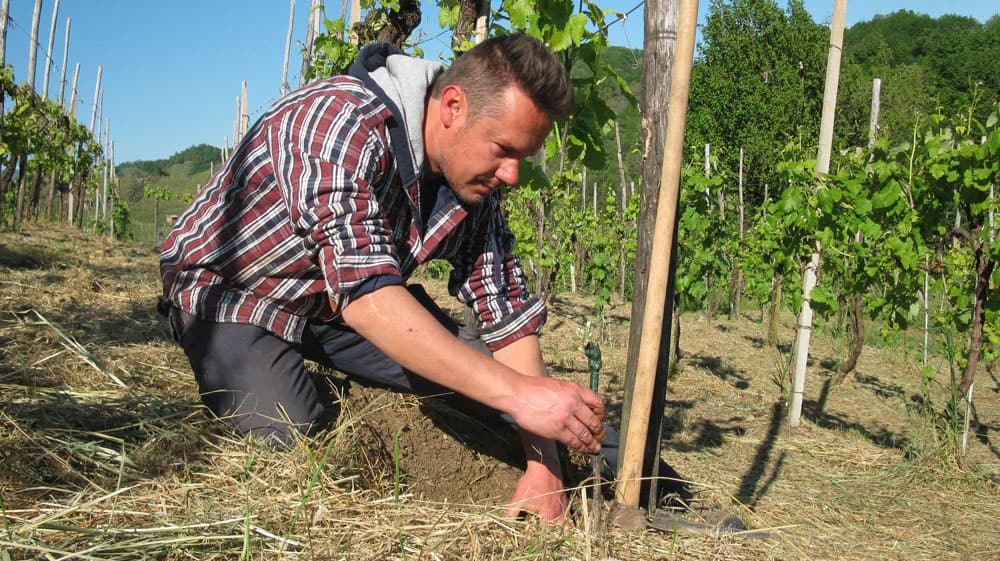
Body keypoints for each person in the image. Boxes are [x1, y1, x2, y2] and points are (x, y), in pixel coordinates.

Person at [160, 33, 637, 523]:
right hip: (234, 294)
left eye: (523, 157)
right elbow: (367, 297)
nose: (512, 175)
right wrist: (518, 396)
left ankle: (648, 480)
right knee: (287, 432)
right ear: (453, 105)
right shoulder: (338, 122)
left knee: (485, 376)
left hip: (330, 308)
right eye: (504, 150)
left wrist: (546, 465)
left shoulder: (475, 186)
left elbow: (508, 317)